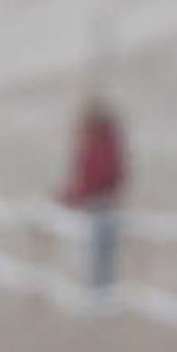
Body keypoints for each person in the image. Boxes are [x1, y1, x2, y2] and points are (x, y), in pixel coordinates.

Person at [59, 98, 128, 291]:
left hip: (99, 204)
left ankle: (98, 301)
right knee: (103, 259)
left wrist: (73, 197)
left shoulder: (97, 142)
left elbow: (91, 176)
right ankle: (101, 298)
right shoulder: (110, 140)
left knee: (98, 260)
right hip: (107, 202)